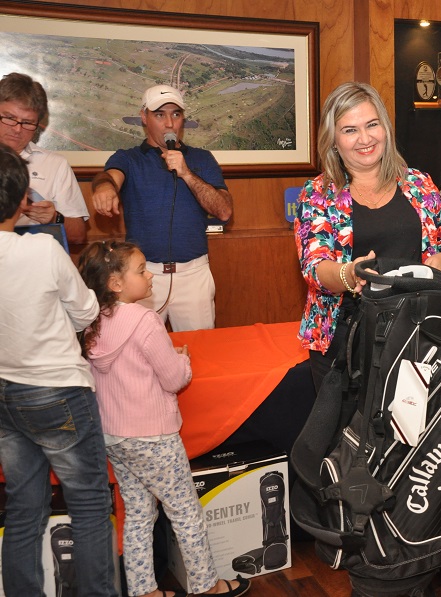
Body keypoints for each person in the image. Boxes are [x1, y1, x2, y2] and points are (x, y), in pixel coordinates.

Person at [78, 239, 251, 597]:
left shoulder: (91, 322)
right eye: (141, 270)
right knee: (185, 512)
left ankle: (145, 590)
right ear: (115, 283)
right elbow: (173, 379)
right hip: (154, 436)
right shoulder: (145, 320)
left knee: (138, 514)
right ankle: (208, 586)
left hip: (114, 436)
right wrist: (182, 359)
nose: (150, 276)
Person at [294, 81, 441, 391]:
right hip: (343, 341)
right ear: (333, 140)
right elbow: (314, 268)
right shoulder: (318, 194)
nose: (365, 138)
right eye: (350, 130)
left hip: (418, 334)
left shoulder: (419, 184)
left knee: (414, 422)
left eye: (372, 124)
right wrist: (350, 274)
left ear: (385, 127)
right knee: (344, 424)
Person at [0, 143, 117, 596]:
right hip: (56, 390)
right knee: (89, 505)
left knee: (23, 508)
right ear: (21, 199)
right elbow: (87, 312)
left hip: (4, 390)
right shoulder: (42, 251)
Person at [91, 84, 233, 331]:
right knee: (138, 347)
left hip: (193, 275)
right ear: (144, 117)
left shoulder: (202, 159)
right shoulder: (129, 158)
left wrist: (186, 173)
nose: (169, 124)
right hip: (142, 275)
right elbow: (109, 177)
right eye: (159, 115)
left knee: (201, 348)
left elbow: (224, 211)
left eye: (176, 114)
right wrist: (104, 187)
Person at [0, 72, 89, 244]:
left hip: (34, 257)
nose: (17, 129)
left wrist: (54, 217)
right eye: (10, 118)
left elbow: (79, 236)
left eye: (27, 122)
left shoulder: (55, 164)